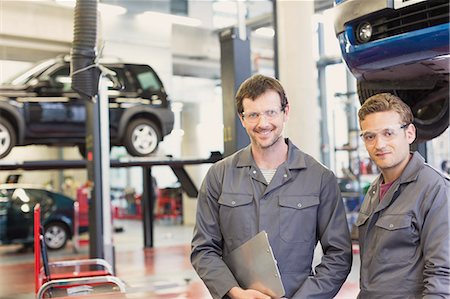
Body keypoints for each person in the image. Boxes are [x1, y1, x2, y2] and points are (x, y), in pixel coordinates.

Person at [191, 74, 352, 299]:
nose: (263, 123)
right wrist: (235, 292)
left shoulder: (319, 178)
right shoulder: (219, 176)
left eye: (271, 112)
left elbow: (339, 255)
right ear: (242, 118)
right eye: (253, 115)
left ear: (286, 113)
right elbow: (203, 249)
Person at [356, 93, 450, 298]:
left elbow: (442, 275)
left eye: (388, 133)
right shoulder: (374, 190)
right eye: (370, 136)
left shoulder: (434, 189)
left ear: (409, 133)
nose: (379, 144)